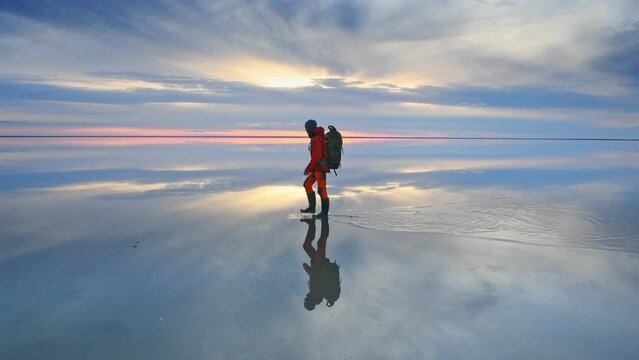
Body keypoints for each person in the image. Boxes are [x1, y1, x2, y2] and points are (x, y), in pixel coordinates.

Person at [301, 216, 341, 311]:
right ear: (309, 301)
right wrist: (306, 267)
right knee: (320, 243)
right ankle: (320, 222)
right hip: (319, 264)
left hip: (318, 264)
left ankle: (313, 223)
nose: (306, 297)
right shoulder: (316, 294)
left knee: (311, 245)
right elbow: (314, 276)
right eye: (306, 300)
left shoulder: (318, 296)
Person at [300, 119, 330, 218]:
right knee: (307, 184)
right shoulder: (316, 137)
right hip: (316, 168)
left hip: (320, 168)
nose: (305, 130)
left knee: (322, 190)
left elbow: (316, 157)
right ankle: (312, 208)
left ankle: (324, 213)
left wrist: (307, 169)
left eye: (306, 128)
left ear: (310, 128)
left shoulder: (317, 139)